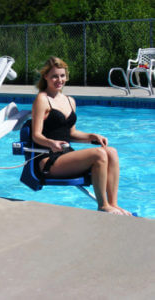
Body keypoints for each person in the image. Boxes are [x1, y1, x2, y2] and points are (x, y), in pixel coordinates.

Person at [32, 56, 131, 215]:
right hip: (48, 159)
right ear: (46, 77)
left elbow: (71, 134)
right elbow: (36, 135)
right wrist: (51, 143)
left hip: (66, 155)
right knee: (99, 154)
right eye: (54, 76)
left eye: (62, 75)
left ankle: (113, 204)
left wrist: (91, 136)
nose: (59, 80)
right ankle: (103, 205)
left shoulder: (70, 101)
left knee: (111, 151)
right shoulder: (42, 99)